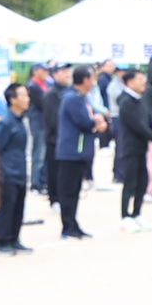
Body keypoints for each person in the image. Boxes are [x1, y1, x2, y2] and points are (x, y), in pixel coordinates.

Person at [51, 66, 100, 240]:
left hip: (77, 151)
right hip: (71, 151)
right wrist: (96, 122)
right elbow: (85, 122)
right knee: (68, 191)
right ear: (85, 80)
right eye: (92, 79)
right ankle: (68, 226)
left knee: (74, 190)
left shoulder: (80, 97)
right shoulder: (73, 98)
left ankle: (72, 224)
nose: (93, 82)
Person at [110, 66, 152, 229]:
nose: (143, 82)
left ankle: (137, 214)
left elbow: (149, 116)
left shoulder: (141, 98)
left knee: (142, 181)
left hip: (141, 147)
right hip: (129, 147)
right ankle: (125, 216)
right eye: (140, 79)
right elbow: (138, 125)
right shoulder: (126, 101)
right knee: (130, 182)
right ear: (130, 81)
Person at [0, 81, 34, 254]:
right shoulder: (6, 123)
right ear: (13, 100)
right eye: (23, 95)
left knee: (18, 207)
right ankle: (2, 241)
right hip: (7, 173)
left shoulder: (20, 121)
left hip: (20, 170)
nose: (27, 99)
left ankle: (14, 239)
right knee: (7, 207)